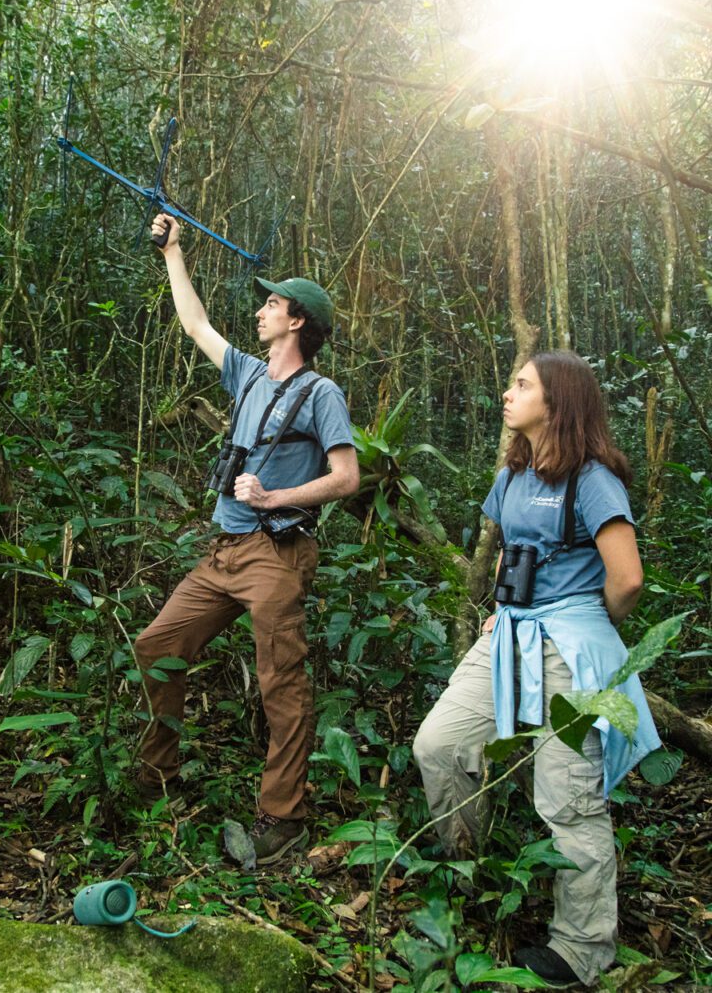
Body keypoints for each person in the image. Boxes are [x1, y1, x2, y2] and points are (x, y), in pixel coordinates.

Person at [413, 351, 661, 987]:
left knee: (569, 799)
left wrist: (579, 618)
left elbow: (627, 579)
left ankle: (581, 948)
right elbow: (507, 554)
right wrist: (502, 606)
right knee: (439, 744)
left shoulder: (594, 478)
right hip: (509, 632)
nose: (507, 392)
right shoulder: (514, 473)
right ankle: (472, 869)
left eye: (522, 384)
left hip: (568, 644)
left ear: (560, 401)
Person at [134, 212, 359, 865]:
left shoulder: (322, 393)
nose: (260, 309)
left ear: (297, 322)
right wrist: (173, 252)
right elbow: (196, 324)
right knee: (158, 645)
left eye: (271, 303)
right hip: (223, 552)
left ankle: (284, 820)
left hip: (275, 554)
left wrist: (275, 496)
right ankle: (159, 776)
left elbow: (346, 477)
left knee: (280, 684)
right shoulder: (249, 374)